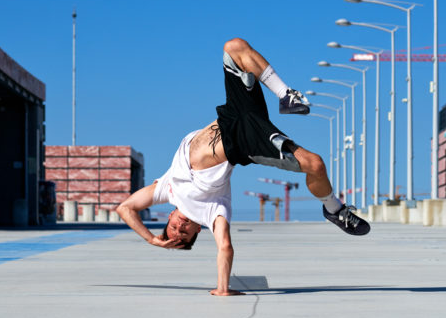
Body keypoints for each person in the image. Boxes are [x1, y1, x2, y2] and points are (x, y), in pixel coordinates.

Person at [116, 38, 370, 296]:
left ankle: (286, 96)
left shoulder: (166, 189)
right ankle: (334, 210)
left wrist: (151, 239)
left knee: (234, 47)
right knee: (315, 164)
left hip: (233, 114)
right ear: (196, 230)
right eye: (185, 234)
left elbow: (125, 208)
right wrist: (222, 289)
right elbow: (225, 246)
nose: (180, 228)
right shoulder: (211, 211)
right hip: (246, 141)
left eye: (174, 229)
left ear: (169, 216)